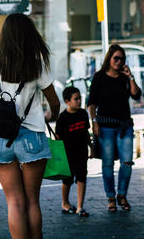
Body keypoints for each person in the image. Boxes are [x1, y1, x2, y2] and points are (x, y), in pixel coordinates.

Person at [0, 13, 60, 239]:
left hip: (0, 137)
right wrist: (49, 116)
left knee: (14, 201)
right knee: (32, 200)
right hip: (32, 136)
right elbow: (55, 103)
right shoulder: (37, 66)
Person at [87, 44, 141, 212]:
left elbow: (136, 95)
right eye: (116, 58)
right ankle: (111, 196)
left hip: (124, 126)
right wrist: (94, 122)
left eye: (122, 59)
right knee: (108, 164)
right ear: (109, 59)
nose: (119, 62)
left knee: (127, 162)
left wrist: (131, 77)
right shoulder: (99, 77)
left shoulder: (125, 78)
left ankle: (122, 195)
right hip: (105, 127)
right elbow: (91, 103)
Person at [55, 86, 92, 218]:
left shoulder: (83, 114)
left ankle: (80, 207)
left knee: (82, 178)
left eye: (79, 98)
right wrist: (59, 156)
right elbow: (58, 138)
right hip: (67, 154)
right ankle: (65, 203)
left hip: (81, 152)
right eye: (75, 99)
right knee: (67, 180)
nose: (78, 101)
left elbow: (86, 132)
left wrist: (91, 147)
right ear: (67, 101)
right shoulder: (63, 117)